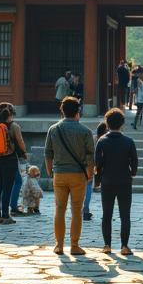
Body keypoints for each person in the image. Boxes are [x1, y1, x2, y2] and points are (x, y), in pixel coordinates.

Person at [44, 97, 95, 255]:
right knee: (76, 210)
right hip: (78, 175)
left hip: (59, 173)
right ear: (78, 112)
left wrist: (50, 171)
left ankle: (59, 245)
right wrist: (90, 174)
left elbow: (48, 153)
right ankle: (74, 245)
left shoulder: (53, 129)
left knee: (60, 209)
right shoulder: (85, 131)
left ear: (62, 111)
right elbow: (90, 156)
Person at [95, 107, 138, 254]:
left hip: (107, 181)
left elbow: (97, 163)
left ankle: (107, 245)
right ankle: (124, 246)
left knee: (107, 214)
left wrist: (98, 179)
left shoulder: (102, 141)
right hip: (124, 180)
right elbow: (135, 162)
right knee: (125, 214)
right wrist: (132, 173)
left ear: (107, 123)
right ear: (122, 123)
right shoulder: (129, 141)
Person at [0, 102, 29, 216]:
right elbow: (20, 141)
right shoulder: (13, 126)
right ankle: (13, 206)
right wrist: (24, 152)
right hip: (10, 157)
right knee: (17, 181)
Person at [83, 120, 107, 221]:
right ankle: (86, 210)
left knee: (87, 188)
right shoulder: (105, 140)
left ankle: (85, 209)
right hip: (97, 166)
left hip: (89, 165)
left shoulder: (93, 138)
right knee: (90, 188)